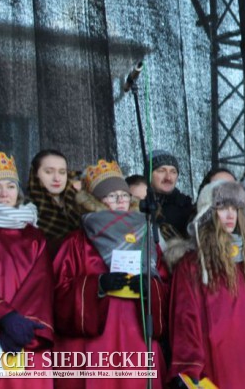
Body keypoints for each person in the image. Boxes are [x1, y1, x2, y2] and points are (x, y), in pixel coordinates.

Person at [53, 159, 168, 388]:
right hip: (97, 343)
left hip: (137, 333)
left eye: (123, 194)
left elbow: (164, 282)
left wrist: (150, 288)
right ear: (96, 200)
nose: (120, 200)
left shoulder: (146, 235)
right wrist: (98, 285)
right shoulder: (77, 241)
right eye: (111, 195)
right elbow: (59, 291)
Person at [167, 180, 245, 387]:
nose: (230, 215)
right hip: (219, 361)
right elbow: (186, 319)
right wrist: (189, 370)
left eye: (235, 208)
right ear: (209, 213)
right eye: (222, 207)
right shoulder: (193, 264)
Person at [0, 152, 55, 385]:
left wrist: (22, 323)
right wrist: (5, 317)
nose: (5, 193)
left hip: (26, 333)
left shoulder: (35, 235)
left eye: (10, 186)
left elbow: (40, 284)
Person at [27, 149, 89, 254]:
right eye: (49, 172)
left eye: (62, 172)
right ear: (35, 173)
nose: (57, 178)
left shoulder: (83, 200)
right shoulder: (26, 210)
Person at [148, 149, 193, 241]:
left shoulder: (187, 209)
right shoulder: (139, 205)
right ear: (148, 174)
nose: (168, 177)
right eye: (161, 170)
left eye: (173, 172)